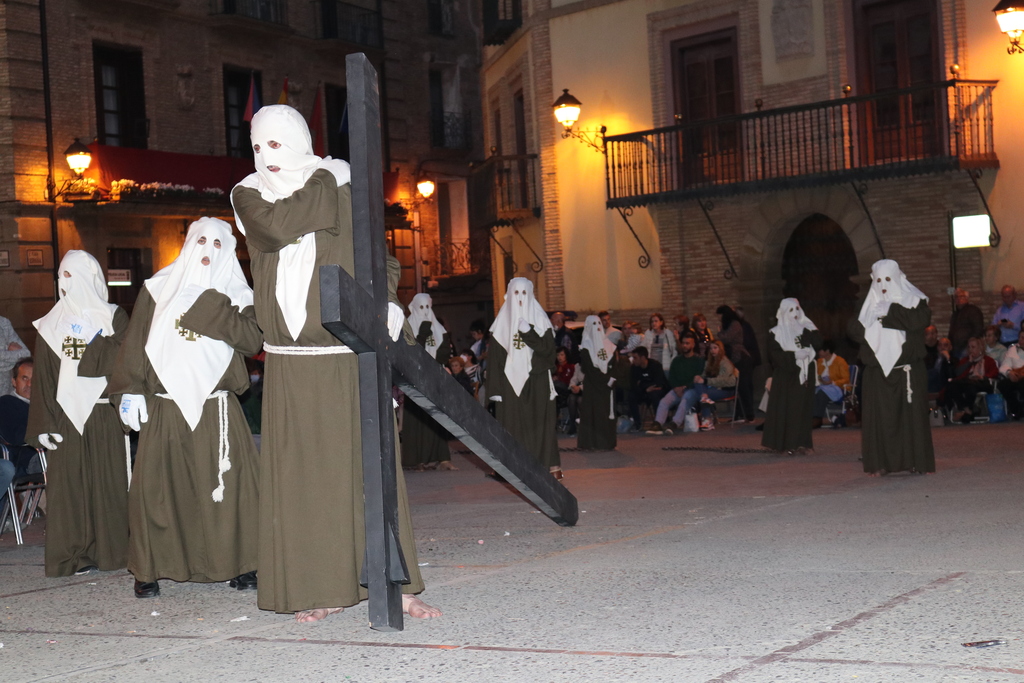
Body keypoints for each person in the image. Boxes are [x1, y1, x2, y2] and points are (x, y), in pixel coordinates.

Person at [230, 105, 436, 621]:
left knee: (369, 469)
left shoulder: (344, 191)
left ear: (299, 139)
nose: (265, 157)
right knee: (304, 479)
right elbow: (280, 229)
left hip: (347, 354)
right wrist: (334, 175)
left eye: (277, 144)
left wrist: (386, 302)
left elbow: (380, 259)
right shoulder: (249, 195)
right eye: (257, 145)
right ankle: (316, 586)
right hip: (291, 363)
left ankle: (395, 584)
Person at [108, 218, 261, 599]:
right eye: (200, 241)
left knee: (230, 490)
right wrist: (129, 390)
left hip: (217, 408)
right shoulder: (157, 289)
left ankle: (242, 562)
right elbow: (137, 342)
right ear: (188, 243)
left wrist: (207, 304)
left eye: (217, 244)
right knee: (157, 490)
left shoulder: (239, 294)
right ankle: (151, 567)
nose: (208, 251)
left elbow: (251, 340)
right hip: (166, 407)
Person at [26, 250, 130, 577]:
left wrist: (90, 340)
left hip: (103, 415)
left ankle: (112, 552)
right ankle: (73, 555)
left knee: (107, 484)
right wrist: (43, 422)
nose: (64, 282)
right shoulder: (50, 324)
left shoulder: (114, 316)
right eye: (61, 275)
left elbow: (125, 357)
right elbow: (44, 376)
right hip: (66, 418)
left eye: (73, 275)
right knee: (70, 488)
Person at [848, 259, 934, 475]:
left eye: (887, 279)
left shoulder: (915, 301)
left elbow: (919, 320)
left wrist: (892, 311)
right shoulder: (867, 304)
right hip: (877, 374)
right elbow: (853, 330)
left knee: (911, 420)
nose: (883, 285)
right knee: (880, 422)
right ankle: (881, 463)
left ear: (897, 278)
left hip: (908, 372)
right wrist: (872, 321)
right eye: (878, 280)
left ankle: (915, 461)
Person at [487, 277, 561, 478]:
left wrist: (529, 333)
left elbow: (548, 352)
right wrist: (494, 390)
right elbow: (494, 360)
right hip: (509, 382)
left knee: (540, 423)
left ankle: (547, 465)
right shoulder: (501, 324)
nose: (520, 299)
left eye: (524, 293)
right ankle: (511, 467)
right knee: (512, 424)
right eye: (516, 293)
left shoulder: (541, 321)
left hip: (536, 379)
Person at [401, 293, 455, 472]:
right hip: (415, 379)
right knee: (418, 420)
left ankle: (441, 458)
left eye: (427, 307)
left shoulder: (439, 329)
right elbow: (414, 353)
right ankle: (417, 459)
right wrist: (423, 332)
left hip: (434, 378)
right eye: (421, 308)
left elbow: (444, 354)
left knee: (436, 418)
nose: (425, 312)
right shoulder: (408, 327)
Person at [761, 299, 822, 453]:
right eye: (790, 310)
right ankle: (786, 444)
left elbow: (817, 344)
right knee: (788, 409)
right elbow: (774, 355)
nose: (794, 313)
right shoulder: (775, 333)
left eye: (797, 309)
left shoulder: (806, 328)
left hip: (804, 375)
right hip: (787, 376)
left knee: (803, 410)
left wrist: (807, 329)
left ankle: (802, 442)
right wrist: (794, 356)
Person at [577, 315, 623, 450]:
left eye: (599, 324)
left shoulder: (610, 346)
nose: (596, 327)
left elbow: (615, 365)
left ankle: (606, 443)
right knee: (593, 414)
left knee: (605, 414)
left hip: (607, 387)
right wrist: (606, 380)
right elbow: (589, 370)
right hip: (593, 387)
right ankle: (591, 444)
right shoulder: (585, 348)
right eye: (593, 324)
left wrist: (612, 379)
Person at [649, 333, 704, 435]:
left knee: (685, 400)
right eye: (683, 343)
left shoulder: (699, 361)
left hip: (692, 389)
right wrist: (675, 387)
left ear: (693, 345)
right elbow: (672, 377)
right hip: (677, 389)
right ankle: (658, 423)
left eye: (687, 343)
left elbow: (699, 377)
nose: (684, 346)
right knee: (664, 401)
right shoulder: (677, 360)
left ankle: (674, 423)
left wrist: (685, 387)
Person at [679, 340, 737, 431]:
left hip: (725, 389)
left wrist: (705, 381)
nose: (712, 350)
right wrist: (699, 378)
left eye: (715, 348)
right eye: (711, 348)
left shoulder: (725, 363)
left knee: (699, 392)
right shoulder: (709, 362)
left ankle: (707, 418)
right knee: (698, 382)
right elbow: (704, 375)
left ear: (720, 349)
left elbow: (722, 381)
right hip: (712, 387)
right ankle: (705, 406)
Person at [0, 358, 40, 478]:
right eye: (24, 378)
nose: (29, 384)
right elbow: (16, 436)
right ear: (13, 381)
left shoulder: (43, 407)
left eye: (34, 380)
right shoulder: (6, 403)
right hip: (24, 459)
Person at [945, 337, 998, 424]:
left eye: (973, 347)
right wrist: (969, 363)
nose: (970, 350)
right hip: (966, 382)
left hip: (981, 383)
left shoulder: (988, 360)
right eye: (969, 347)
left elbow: (994, 373)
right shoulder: (965, 360)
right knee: (952, 385)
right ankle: (967, 409)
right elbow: (957, 373)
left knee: (970, 387)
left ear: (980, 348)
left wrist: (982, 377)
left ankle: (966, 411)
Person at [717, 305, 755, 421]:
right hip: (735, 358)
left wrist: (720, 333)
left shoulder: (735, 324)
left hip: (741, 358)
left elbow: (727, 338)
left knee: (743, 386)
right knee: (737, 386)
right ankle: (739, 413)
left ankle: (748, 414)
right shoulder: (733, 324)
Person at [627, 346, 668, 431]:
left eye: (635, 358)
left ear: (642, 357)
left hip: (656, 392)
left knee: (655, 395)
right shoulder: (634, 368)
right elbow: (633, 385)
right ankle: (637, 423)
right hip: (643, 392)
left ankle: (658, 423)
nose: (633, 360)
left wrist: (641, 384)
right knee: (631, 396)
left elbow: (659, 384)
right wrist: (645, 388)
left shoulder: (655, 365)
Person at [813, 340, 850, 427]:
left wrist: (832, 382)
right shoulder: (819, 362)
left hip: (838, 388)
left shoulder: (840, 362)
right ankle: (811, 417)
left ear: (827, 351)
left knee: (821, 393)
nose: (818, 352)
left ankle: (817, 418)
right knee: (813, 392)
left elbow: (846, 380)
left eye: (820, 350)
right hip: (823, 386)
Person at [948, 288, 984, 359]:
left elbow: (978, 329)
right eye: (956, 297)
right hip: (955, 347)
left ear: (967, 298)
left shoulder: (973, 311)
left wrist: (969, 345)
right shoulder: (955, 314)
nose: (958, 299)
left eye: (961, 296)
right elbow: (952, 331)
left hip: (966, 347)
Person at [0, 315, 30, 398]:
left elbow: (26, 354)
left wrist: (4, 357)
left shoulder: (3, 323)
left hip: (7, 395)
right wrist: (8, 349)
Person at [997, 329, 1024, 419]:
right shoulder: (1013, 349)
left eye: (1023, 338)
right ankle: (1016, 409)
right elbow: (1004, 366)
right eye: (1019, 337)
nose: (1020, 340)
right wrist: (1009, 373)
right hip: (1015, 375)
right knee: (1003, 385)